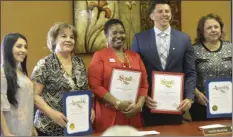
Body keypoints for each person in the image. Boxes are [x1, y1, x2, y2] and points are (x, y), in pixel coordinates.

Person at [131, 0, 196, 126]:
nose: (164, 14)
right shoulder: (140, 39)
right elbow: (135, 73)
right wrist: (142, 97)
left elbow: (191, 72)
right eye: (160, 11)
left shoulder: (184, 39)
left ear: (171, 15)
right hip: (150, 104)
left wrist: (189, 98)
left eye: (167, 11)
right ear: (151, 16)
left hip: (176, 104)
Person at [31, 22, 95, 136]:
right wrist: (52, 113)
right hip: (48, 128)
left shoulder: (79, 62)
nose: (69, 40)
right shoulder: (44, 64)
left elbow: (84, 90)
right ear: (54, 40)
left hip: (75, 127)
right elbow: (33, 95)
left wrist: (89, 108)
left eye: (72, 37)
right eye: (64, 36)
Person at [88, 19, 149, 132]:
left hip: (132, 113)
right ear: (106, 35)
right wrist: (117, 103)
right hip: (108, 114)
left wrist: (139, 106)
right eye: (114, 33)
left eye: (121, 32)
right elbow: (95, 86)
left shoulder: (135, 56)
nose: (119, 36)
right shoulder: (99, 56)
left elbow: (144, 85)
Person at [189, 14, 232, 121]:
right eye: (209, 28)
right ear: (202, 31)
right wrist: (197, 94)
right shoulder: (193, 50)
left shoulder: (230, 47)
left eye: (216, 27)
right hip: (202, 103)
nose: (213, 30)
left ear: (221, 29)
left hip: (228, 102)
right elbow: (188, 75)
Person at [1, 33, 37, 136]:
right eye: (19, 46)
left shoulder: (21, 71)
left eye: (26, 47)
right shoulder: (2, 72)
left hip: (26, 128)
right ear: (8, 48)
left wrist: (32, 127)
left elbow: (26, 102)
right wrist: (6, 132)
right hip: (12, 129)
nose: (24, 50)